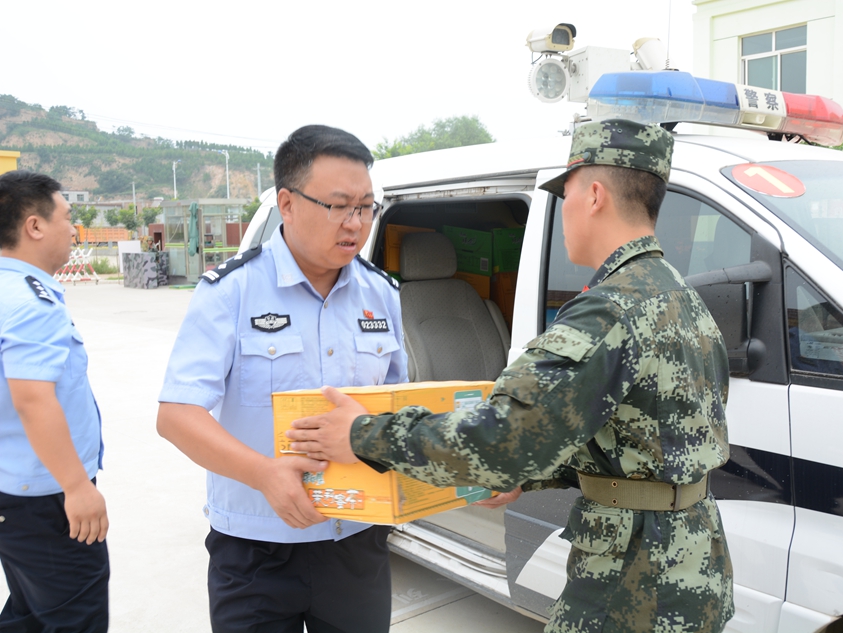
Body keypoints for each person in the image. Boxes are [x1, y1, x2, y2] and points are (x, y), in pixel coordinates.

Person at [288, 119, 735, 633]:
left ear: (593, 196)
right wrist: (529, 475)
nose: (562, 211)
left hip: (632, 583)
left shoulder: (610, 311)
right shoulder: (679, 296)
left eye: (564, 195)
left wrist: (362, 434)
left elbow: (501, 439)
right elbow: (642, 443)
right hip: (692, 563)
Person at [156, 125, 407, 633]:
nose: (356, 224)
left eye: (366, 207)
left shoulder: (381, 294)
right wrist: (264, 474)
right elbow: (177, 415)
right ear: (287, 204)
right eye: (339, 206)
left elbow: (398, 408)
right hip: (256, 551)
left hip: (356, 540)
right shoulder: (231, 291)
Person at [0, 171, 110, 632]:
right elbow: (33, 399)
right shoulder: (32, 302)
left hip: (13, 491)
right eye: (67, 217)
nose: (74, 229)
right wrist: (77, 487)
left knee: (29, 613)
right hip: (45, 501)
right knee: (73, 618)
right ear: (35, 226)